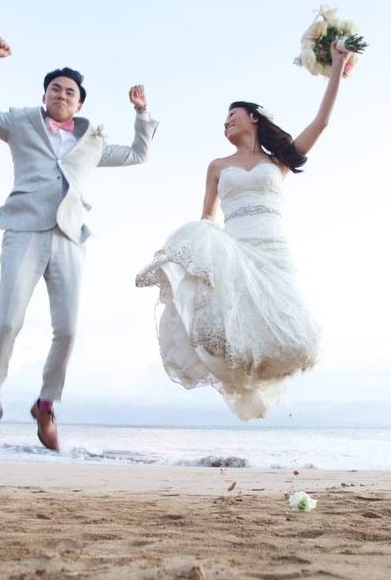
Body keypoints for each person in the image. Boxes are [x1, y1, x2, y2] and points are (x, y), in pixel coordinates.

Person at [0, 35, 158, 452]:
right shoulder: (20, 122)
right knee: (7, 321)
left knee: (67, 329)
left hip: (69, 237)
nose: (62, 95)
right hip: (24, 229)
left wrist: (141, 113)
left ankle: (46, 404)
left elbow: (138, 154)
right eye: (55, 89)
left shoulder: (93, 143)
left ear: (80, 104)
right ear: (44, 96)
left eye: (70, 92)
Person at [136, 44, 353, 420]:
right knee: (224, 329)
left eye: (232, 116)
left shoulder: (278, 161)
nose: (226, 123)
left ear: (253, 118)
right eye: (224, 121)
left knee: (293, 335)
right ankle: (230, 364)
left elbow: (321, 122)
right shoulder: (217, 166)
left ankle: (265, 374)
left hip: (273, 248)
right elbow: (207, 217)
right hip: (235, 248)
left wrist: (335, 68)